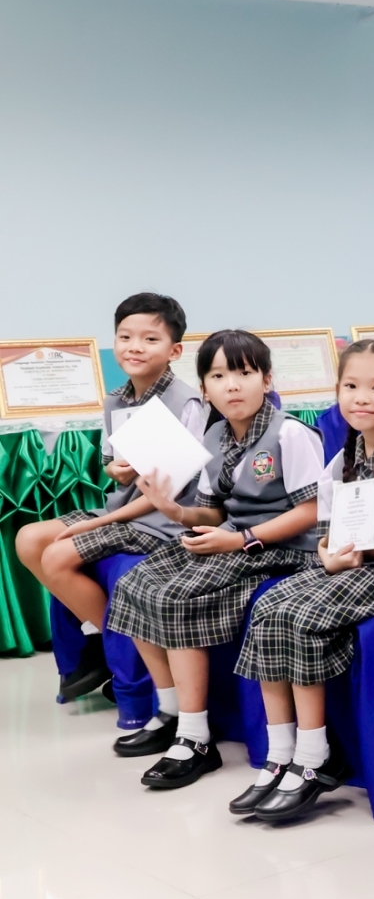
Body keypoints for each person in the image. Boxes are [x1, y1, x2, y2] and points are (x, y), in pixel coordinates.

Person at [229, 340, 374, 820]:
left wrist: (340, 555)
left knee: (305, 613)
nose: (361, 398)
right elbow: (329, 532)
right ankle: (281, 752)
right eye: (351, 386)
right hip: (360, 564)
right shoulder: (344, 457)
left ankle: (315, 756)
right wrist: (326, 554)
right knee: (270, 605)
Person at [104, 331, 325, 787]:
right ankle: (170, 711)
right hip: (235, 538)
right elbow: (210, 512)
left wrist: (240, 538)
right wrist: (174, 511)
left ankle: (196, 739)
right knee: (133, 583)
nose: (232, 386)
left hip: (286, 550)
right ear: (204, 388)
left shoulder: (290, 433)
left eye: (244, 373)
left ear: (267, 380)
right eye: (219, 376)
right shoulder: (216, 435)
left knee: (177, 595)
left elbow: (312, 510)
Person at [17, 292, 206, 705]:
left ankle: (113, 646)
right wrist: (115, 471)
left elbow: (170, 492)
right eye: (125, 336)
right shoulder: (116, 399)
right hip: (121, 509)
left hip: (161, 520)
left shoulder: (186, 403)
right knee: (28, 539)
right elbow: (109, 462)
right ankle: (106, 637)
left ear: (174, 351)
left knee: (56, 556)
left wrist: (100, 522)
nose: (135, 347)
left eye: (150, 339)